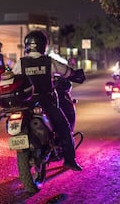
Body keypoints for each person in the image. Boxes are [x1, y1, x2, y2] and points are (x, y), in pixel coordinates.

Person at [12, 30, 86, 171]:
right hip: (46, 101)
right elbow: (68, 72)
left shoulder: (21, 63)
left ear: (27, 45)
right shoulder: (49, 61)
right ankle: (70, 160)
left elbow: (13, 78)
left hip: (27, 103)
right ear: (43, 45)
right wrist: (76, 74)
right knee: (64, 127)